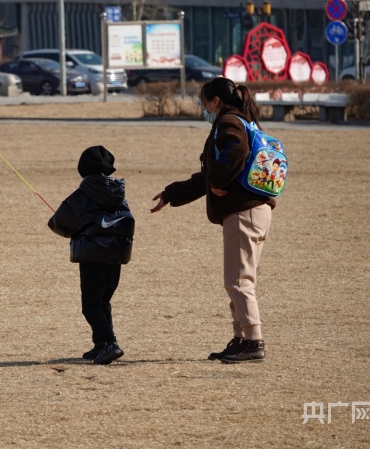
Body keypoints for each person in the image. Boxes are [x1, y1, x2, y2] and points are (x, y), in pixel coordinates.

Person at [150, 77, 275, 364]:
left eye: (204, 101)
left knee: (239, 281)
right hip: (255, 211)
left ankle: (253, 342)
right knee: (238, 279)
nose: (203, 107)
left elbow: (236, 152)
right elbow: (209, 176)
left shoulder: (228, 122)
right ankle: (241, 338)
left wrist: (217, 179)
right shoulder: (246, 120)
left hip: (244, 212)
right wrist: (173, 193)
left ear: (215, 101)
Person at [48, 145, 135, 365]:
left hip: (93, 258)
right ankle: (101, 344)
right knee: (103, 301)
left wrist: (59, 222)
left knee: (91, 304)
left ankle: (108, 343)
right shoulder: (118, 193)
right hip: (115, 257)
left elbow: (59, 223)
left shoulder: (82, 194)